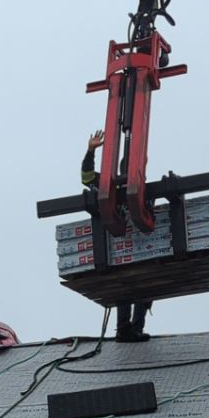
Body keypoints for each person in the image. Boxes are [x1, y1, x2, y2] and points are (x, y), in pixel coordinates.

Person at [81, 130, 151, 343]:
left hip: (140, 247)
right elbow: (86, 177)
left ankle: (135, 329)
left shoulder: (145, 191)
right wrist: (91, 151)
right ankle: (124, 329)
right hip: (118, 245)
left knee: (144, 288)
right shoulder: (109, 183)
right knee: (126, 287)